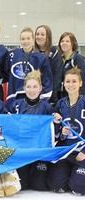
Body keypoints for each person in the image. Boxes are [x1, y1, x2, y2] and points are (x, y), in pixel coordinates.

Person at [7, 70, 53, 191]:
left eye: (34, 87)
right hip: (22, 152)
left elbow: (53, 132)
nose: (31, 90)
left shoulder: (47, 107)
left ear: (40, 88)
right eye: (28, 87)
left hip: (39, 153)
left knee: (39, 185)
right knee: (22, 185)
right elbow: (7, 127)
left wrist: (56, 120)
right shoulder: (15, 105)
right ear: (24, 88)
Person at [49, 67, 85, 196]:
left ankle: (77, 176)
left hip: (82, 152)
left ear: (80, 83)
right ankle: (70, 173)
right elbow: (57, 135)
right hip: (66, 152)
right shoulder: (60, 104)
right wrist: (61, 132)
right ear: (64, 84)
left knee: (78, 189)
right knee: (56, 186)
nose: (71, 85)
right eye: (68, 81)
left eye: (74, 81)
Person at [5, 27, 53, 105]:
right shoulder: (12, 55)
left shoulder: (41, 58)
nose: (25, 41)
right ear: (20, 40)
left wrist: (42, 101)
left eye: (28, 38)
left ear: (33, 39)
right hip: (15, 99)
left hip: (34, 100)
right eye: (23, 39)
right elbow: (6, 73)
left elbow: (47, 82)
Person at [35, 25, 63, 105]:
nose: (39, 37)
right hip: (34, 96)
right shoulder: (33, 53)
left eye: (42, 34)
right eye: (37, 34)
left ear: (48, 37)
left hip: (50, 98)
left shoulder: (54, 52)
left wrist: (51, 98)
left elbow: (57, 78)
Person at [58, 32, 85, 97]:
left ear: (72, 44)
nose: (64, 43)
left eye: (67, 41)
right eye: (62, 41)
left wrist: (81, 99)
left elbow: (82, 80)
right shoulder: (59, 60)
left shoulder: (77, 58)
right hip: (62, 98)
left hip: (75, 98)